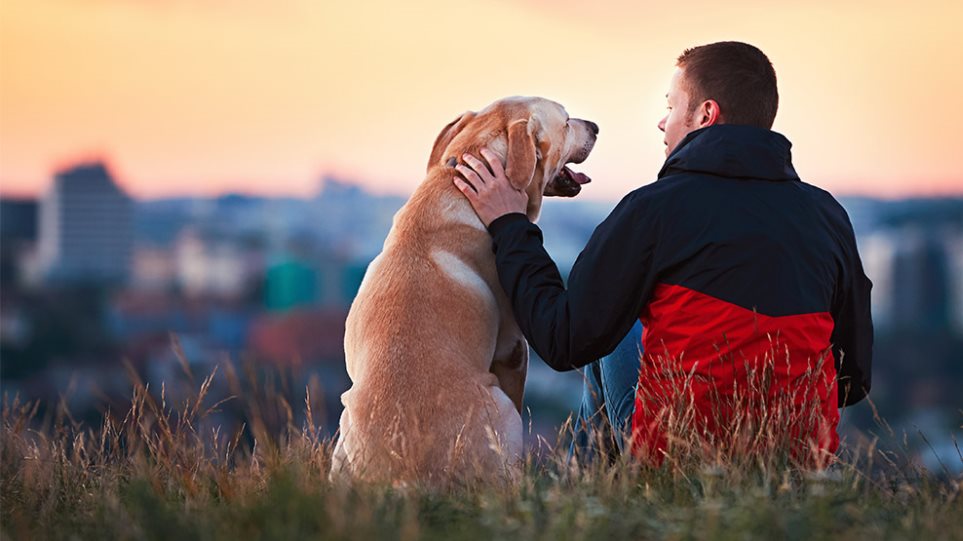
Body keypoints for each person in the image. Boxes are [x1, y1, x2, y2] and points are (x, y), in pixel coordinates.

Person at [452, 41, 873, 466]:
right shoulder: (828, 217)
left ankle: (587, 502)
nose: (661, 122)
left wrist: (510, 224)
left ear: (705, 115)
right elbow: (853, 379)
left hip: (681, 459)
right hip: (798, 464)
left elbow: (562, 340)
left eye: (671, 106)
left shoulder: (653, 210)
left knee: (610, 332)